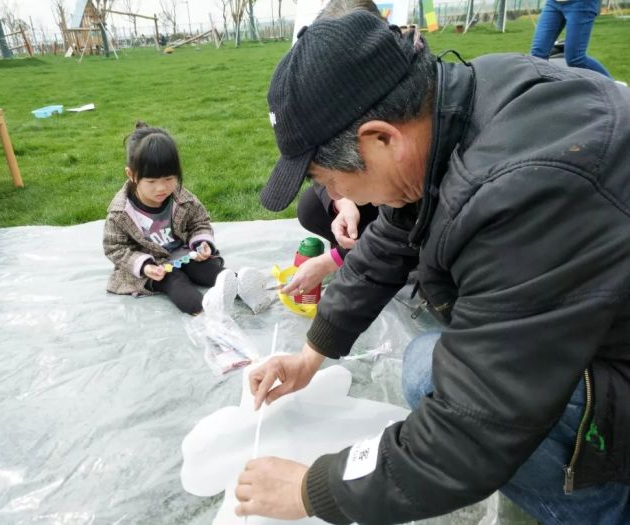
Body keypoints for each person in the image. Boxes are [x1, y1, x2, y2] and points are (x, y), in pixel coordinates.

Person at [238, 10, 630, 525]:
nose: (331, 197)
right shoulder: (458, 103)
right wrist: (311, 355)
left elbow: (470, 431)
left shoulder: (527, 191)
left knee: (430, 373)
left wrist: (313, 489)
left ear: (382, 139)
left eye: (325, 179)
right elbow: (395, 234)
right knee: (437, 361)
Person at [103, 122, 269, 316]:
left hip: (184, 255)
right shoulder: (120, 213)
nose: (161, 188)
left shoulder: (182, 198)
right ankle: (208, 312)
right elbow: (115, 248)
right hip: (155, 268)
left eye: (169, 179)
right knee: (175, 282)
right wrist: (145, 265)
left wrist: (202, 244)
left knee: (207, 269)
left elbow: (199, 221)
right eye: (151, 182)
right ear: (131, 175)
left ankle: (245, 288)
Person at [283, 0, 383, 297]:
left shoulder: (393, 123)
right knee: (314, 205)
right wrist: (346, 203)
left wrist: (333, 260)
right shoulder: (326, 100)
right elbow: (318, 168)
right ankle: (363, 251)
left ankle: (376, 258)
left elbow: (400, 222)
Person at [531, 0, 611, 77]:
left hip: (581, 3)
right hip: (554, 2)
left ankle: (614, 86)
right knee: (537, 54)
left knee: (576, 59)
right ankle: (541, 87)